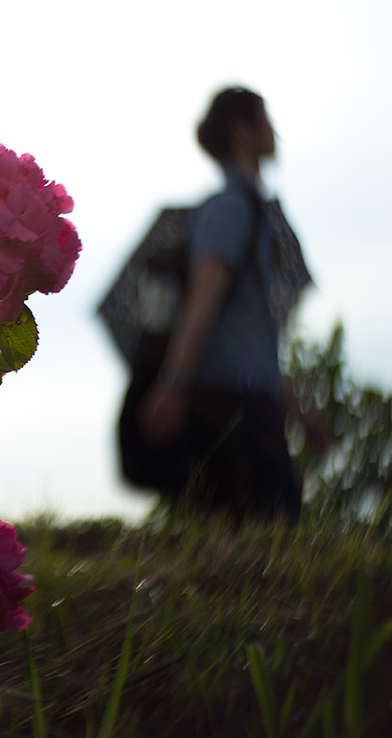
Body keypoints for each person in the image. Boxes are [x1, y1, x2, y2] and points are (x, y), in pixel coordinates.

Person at [137, 87, 305, 523]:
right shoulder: (230, 209)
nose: (275, 133)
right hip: (228, 407)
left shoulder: (253, 212)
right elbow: (204, 299)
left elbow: (250, 331)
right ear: (241, 130)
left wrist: (298, 409)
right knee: (260, 540)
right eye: (265, 119)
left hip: (250, 402)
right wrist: (173, 385)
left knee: (265, 539)